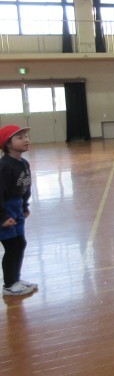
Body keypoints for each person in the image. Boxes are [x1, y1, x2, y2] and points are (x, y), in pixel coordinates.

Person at [0, 125, 38, 296]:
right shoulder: (4, 166)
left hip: (16, 208)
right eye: (20, 137)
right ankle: (9, 285)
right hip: (5, 209)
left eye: (26, 137)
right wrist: (2, 216)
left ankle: (15, 279)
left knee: (20, 244)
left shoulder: (23, 163)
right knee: (12, 247)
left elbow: (25, 187)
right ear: (8, 144)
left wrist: (24, 206)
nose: (26, 140)